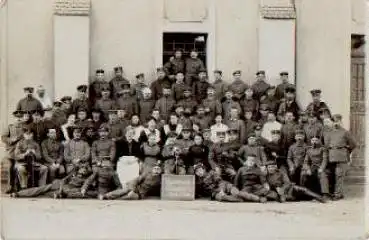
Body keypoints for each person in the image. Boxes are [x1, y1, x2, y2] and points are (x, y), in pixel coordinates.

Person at [11, 162, 93, 199]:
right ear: (78, 169)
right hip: (58, 185)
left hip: (65, 190)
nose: (83, 170)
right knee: (40, 189)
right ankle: (18, 193)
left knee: (43, 195)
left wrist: (63, 190)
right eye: (82, 168)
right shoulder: (73, 174)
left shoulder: (86, 179)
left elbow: (81, 188)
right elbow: (64, 179)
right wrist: (61, 185)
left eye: (85, 169)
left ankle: (24, 195)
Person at [324, 114, 356, 200]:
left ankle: (338, 194)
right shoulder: (329, 132)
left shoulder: (345, 132)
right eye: (334, 121)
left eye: (337, 121)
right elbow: (327, 145)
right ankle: (334, 193)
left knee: (339, 175)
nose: (336, 123)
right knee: (332, 175)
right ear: (332, 122)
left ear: (341, 122)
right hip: (331, 156)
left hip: (341, 156)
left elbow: (353, 144)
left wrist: (346, 151)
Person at [195, 163, 264, 202]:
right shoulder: (198, 182)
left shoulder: (212, 173)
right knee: (222, 198)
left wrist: (222, 190)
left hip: (225, 186)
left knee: (237, 192)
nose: (199, 172)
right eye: (197, 172)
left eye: (200, 170)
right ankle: (240, 199)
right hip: (215, 193)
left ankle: (258, 198)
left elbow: (220, 181)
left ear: (204, 169)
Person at [1, 110, 26, 193]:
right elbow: (3, 137)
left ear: (22, 118)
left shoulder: (25, 128)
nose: (19, 119)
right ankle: (10, 186)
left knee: (21, 167)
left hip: (21, 152)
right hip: (11, 152)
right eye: (17, 117)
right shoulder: (10, 127)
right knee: (10, 167)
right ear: (14, 118)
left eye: (20, 117)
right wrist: (11, 140)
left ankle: (20, 187)